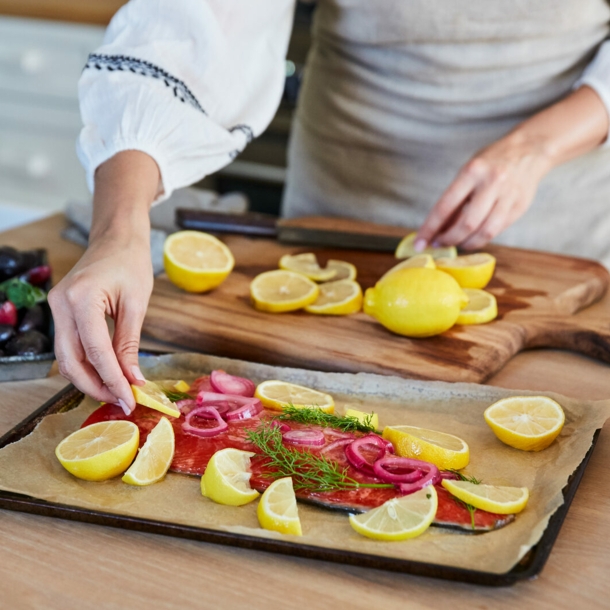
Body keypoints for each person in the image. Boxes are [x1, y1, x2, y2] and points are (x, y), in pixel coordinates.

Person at [48, 0, 610, 413]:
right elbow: (193, 24)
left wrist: (537, 147)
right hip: (343, 185)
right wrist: (117, 231)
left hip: (556, 209)